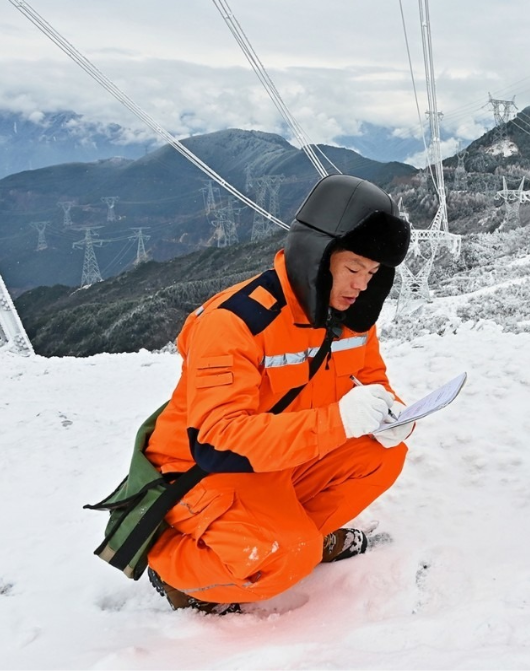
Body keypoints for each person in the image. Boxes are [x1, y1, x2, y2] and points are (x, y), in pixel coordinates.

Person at [142, 174, 415, 614]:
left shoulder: (351, 320)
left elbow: (373, 383)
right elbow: (217, 441)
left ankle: (301, 534)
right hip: (202, 473)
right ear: (318, 255)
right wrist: (339, 421)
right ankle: (175, 569)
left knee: (381, 455)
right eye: (352, 268)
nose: (361, 286)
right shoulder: (234, 323)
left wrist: (394, 417)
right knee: (286, 558)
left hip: (282, 459)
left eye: (372, 273)